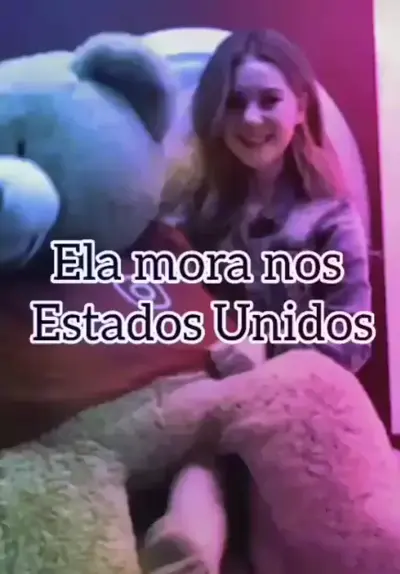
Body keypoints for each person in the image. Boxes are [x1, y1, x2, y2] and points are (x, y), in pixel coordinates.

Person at [142, 29, 373, 574]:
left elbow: (353, 340)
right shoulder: (190, 216)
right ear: (214, 114)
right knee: (199, 471)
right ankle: (189, 540)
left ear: (300, 107)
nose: (250, 119)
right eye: (234, 102)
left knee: (280, 518)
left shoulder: (331, 218)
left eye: (268, 100)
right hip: (204, 413)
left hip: (290, 419)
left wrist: (267, 355)